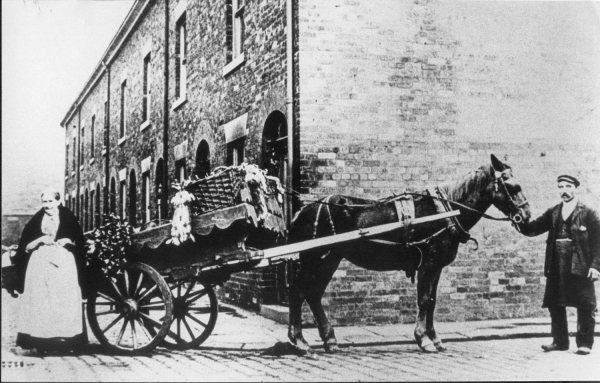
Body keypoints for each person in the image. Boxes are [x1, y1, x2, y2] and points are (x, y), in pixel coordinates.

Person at [518, 175, 600, 355]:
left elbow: (597, 242)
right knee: (555, 303)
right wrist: (518, 220)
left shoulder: (588, 213)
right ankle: (559, 341)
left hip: (580, 265)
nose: (564, 190)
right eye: (560, 186)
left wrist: (595, 266)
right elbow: (533, 228)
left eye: (568, 186)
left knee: (585, 304)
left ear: (576, 188)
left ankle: (584, 343)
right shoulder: (554, 212)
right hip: (556, 265)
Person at [12, 188, 88, 354]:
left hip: (64, 264)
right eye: (44, 202)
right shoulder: (36, 220)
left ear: (58, 202)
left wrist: (68, 240)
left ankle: (68, 340)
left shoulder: (67, 217)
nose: (47, 206)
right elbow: (26, 245)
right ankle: (41, 341)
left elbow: (79, 240)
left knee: (63, 299)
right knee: (42, 300)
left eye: (50, 202)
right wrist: (40, 240)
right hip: (40, 264)